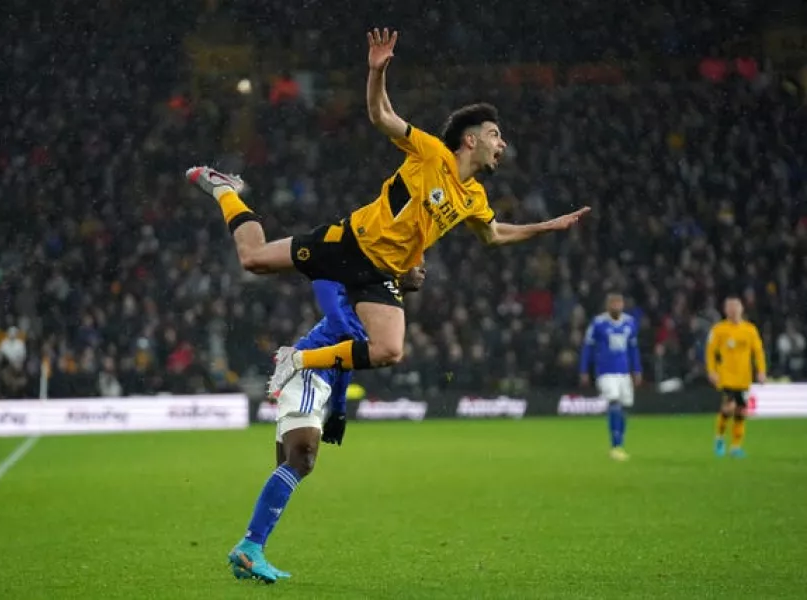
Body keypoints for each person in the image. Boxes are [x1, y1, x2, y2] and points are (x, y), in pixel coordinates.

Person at [185, 28, 589, 398]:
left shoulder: (475, 198)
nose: (502, 143)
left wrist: (546, 227)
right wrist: (376, 71)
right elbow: (381, 116)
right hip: (348, 244)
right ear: (470, 139)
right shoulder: (432, 152)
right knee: (252, 259)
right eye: (495, 135)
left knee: (389, 351)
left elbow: (493, 235)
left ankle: (296, 360)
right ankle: (226, 190)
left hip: (382, 273)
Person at [227, 266, 427, 584]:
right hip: (309, 370)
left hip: (320, 376)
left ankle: (253, 549)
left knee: (290, 465)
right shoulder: (368, 289)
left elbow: (347, 355)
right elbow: (324, 280)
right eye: (414, 264)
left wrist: (339, 409)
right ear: (397, 270)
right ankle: (250, 546)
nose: (422, 270)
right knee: (302, 459)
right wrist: (338, 322)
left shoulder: (383, 303)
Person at [579, 293, 643, 461]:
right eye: (613, 303)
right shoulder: (598, 323)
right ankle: (615, 446)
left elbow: (633, 348)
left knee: (624, 406)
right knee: (614, 402)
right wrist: (584, 370)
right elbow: (588, 347)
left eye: (619, 303)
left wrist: (637, 370)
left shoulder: (630, 322)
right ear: (607, 306)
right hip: (605, 372)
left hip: (624, 372)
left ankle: (620, 444)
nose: (616, 306)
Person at [705, 296, 767, 458]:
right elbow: (710, 352)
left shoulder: (750, 330)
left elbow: (758, 352)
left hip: (743, 378)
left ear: (741, 309)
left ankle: (735, 446)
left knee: (741, 411)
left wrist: (761, 371)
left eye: (736, 307)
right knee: (729, 406)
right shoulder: (719, 330)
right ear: (725, 310)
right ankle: (719, 438)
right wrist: (712, 371)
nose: (733, 310)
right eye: (730, 307)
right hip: (726, 376)